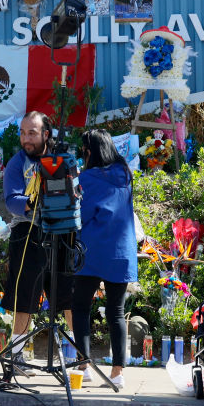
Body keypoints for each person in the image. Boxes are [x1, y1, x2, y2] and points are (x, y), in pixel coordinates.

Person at [1, 111, 73, 375]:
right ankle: (17, 356)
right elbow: (11, 200)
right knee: (25, 297)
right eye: (22, 132)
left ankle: (78, 360)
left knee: (68, 296)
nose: (26, 138)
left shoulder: (61, 159)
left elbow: (76, 190)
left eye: (31, 133)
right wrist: (33, 202)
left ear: (46, 134)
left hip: (61, 231)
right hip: (27, 232)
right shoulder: (16, 164)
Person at [71, 129, 137, 389]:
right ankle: (118, 373)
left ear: (89, 151)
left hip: (93, 251)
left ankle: (83, 365)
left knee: (80, 307)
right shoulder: (125, 175)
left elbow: (82, 215)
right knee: (116, 312)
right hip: (121, 252)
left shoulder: (88, 178)